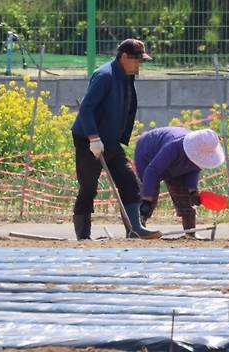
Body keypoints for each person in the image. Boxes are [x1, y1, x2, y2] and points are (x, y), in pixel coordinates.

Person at [70, 38, 162, 241]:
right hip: (88, 140)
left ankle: (135, 228)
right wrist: (94, 138)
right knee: (88, 188)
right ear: (124, 57)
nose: (139, 65)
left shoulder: (126, 75)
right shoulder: (105, 76)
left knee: (129, 181)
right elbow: (86, 108)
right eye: (137, 60)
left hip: (110, 141)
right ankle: (83, 236)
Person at [134, 127, 225, 236]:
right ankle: (137, 229)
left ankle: (190, 233)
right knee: (149, 196)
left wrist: (193, 191)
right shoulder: (173, 147)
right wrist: (147, 199)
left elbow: (193, 170)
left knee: (185, 198)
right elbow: (152, 171)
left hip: (174, 163)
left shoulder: (201, 150)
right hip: (148, 155)